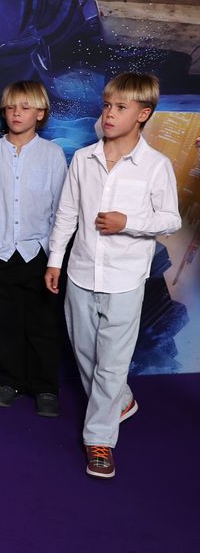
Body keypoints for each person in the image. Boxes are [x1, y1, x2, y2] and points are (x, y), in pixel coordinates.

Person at [45, 72, 181, 479]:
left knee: (111, 363)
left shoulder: (156, 166)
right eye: (107, 105)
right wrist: (55, 260)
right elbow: (67, 213)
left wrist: (128, 221)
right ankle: (120, 400)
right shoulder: (83, 160)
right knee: (85, 353)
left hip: (125, 279)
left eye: (120, 108)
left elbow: (170, 219)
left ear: (144, 114)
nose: (109, 114)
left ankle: (99, 440)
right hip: (81, 272)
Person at [0, 81, 68, 417]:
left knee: (42, 325)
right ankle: (8, 381)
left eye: (25, 107)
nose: (16, 113)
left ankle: (45, 388)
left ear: (40, 113)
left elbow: (61, 209)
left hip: (38, 254)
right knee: (2, 323)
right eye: (11, 107)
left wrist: (53, 255)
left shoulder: (52, 154)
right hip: (0, 254)